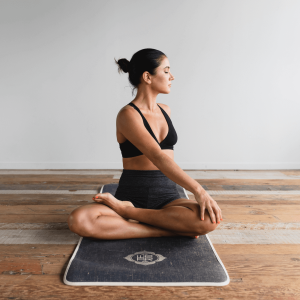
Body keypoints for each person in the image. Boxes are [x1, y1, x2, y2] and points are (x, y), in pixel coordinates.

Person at [68, 48, 222, 240]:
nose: (171, 76)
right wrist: (199, 190)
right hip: (131, 195)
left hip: (167, 196)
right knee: (80, 220)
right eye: (166, 71)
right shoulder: (127, 115)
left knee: (209, 219)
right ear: (147, 77)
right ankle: (161, 227)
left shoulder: (166, 110)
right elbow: (157, 156)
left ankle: (131, 216)